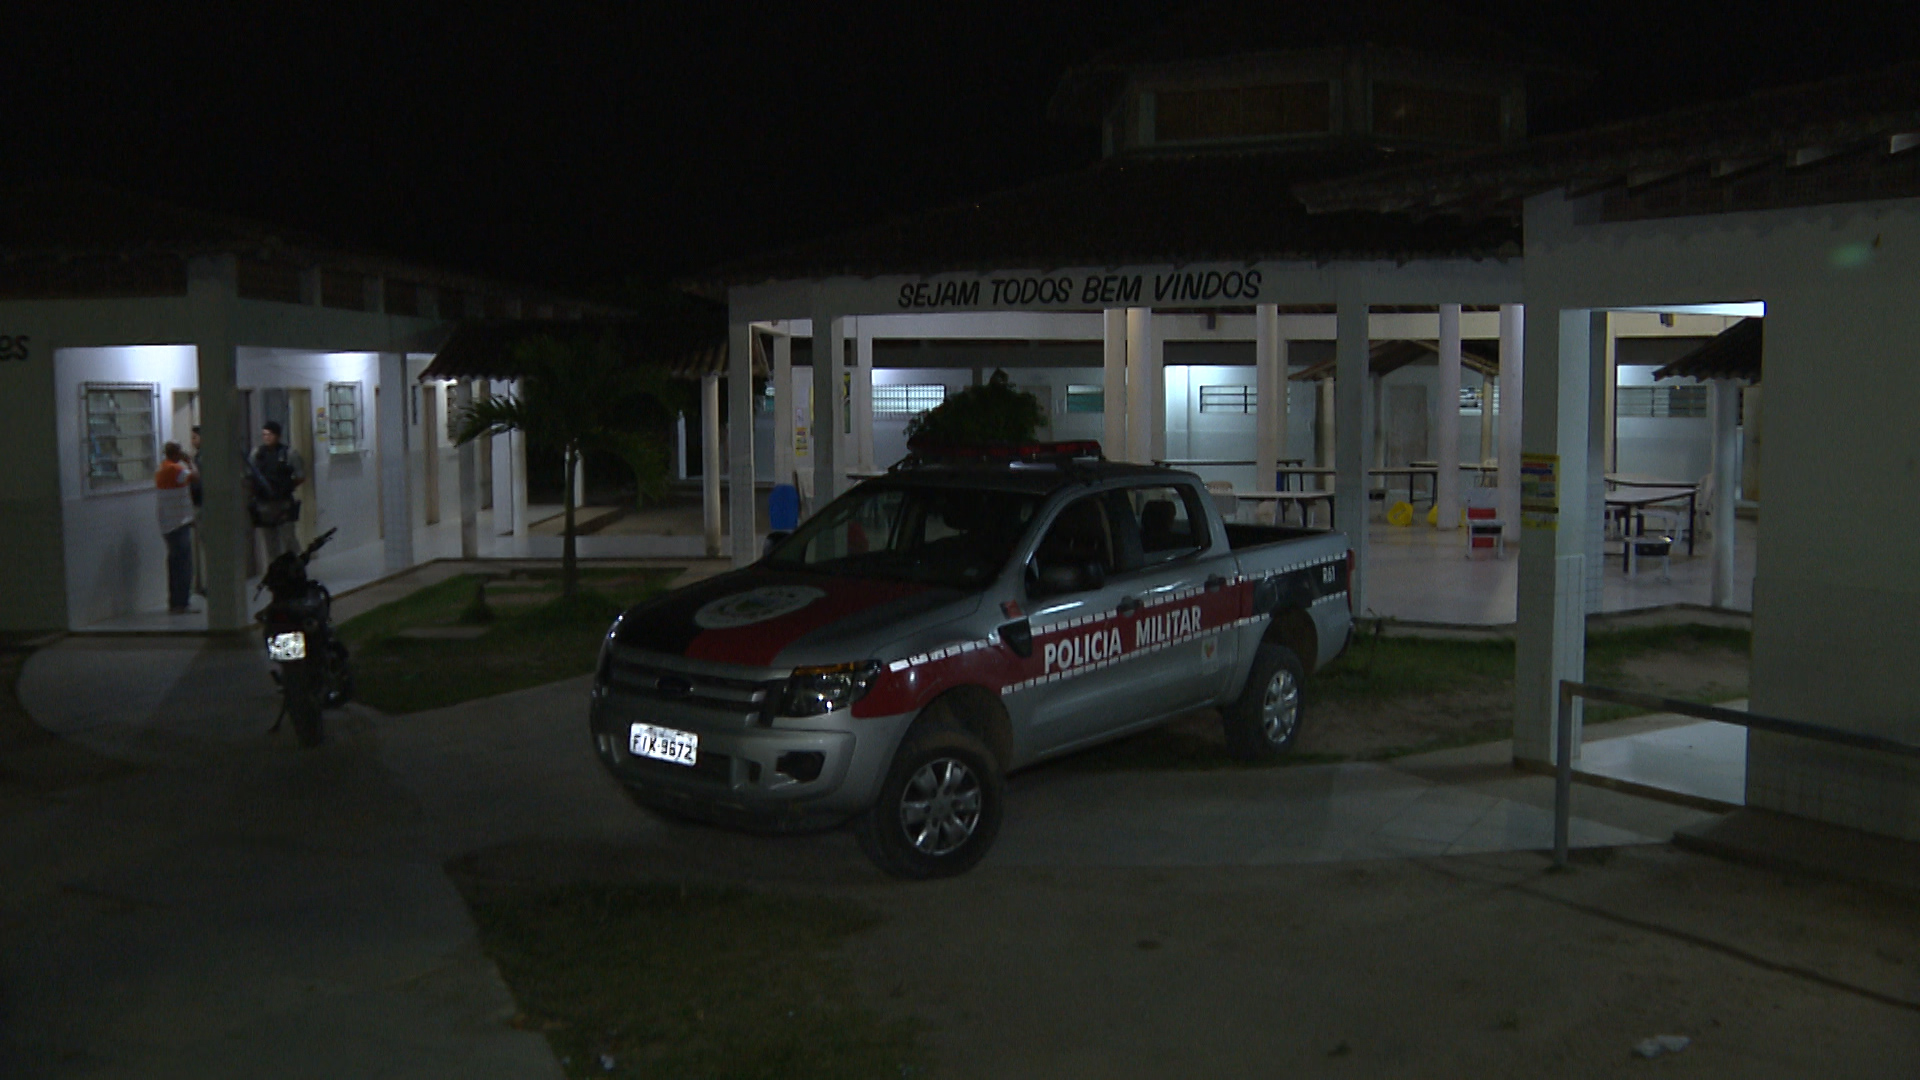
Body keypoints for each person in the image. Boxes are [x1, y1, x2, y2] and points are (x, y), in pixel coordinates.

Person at [249, 420, 307, 559]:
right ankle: (276, 573)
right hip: (264, 505)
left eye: (270, 434)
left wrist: (287, 487)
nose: (267, 437)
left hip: (283, 504)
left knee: (289, 540)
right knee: (270, 544)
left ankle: (297, 568)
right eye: (264, 434)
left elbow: (300, 476)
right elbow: (250, 475)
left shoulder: (289, 453)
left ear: (278, 436)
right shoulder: (257, 453)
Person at [155, 441, 198, 614]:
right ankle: (181, 602)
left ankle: (174, 601)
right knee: (183, 564)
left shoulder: (162, 469)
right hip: (178, 523)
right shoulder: (176, 470)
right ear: (177, 454)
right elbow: (196, 476)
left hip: (167, 523)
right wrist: (190, 461)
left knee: (174, 563)